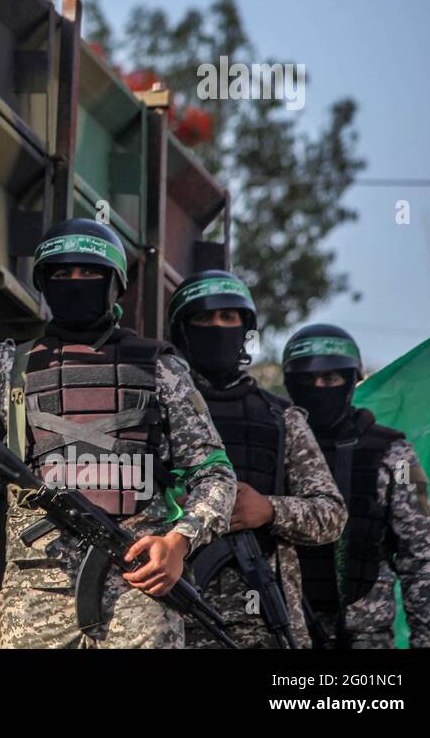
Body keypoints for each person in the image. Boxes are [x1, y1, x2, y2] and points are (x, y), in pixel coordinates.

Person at [0, 218, 236, 648]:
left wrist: (179, 542)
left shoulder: (160, 368)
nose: (76, 282)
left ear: (115, 283)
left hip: (139, 590)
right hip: (34, 597)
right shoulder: (8, 367)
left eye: (90, 273)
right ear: (45, 283)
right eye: (62, 273)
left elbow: (215, 474)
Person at [167, 271, 345, 648]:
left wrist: (269, 510)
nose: (217, 328)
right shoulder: (157, 408)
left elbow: (332, 515)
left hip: (263, 622)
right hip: (169, 615)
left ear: (244, 329)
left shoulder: (281, 418)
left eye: (228, 318)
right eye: (203, 318)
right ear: (183, 329)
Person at [283, 324, 430, 649]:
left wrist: (423, 636)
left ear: (350, 382)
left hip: (364, 635)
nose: (319, 388)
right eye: (308, 380)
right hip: (285, 630)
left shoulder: (396, 454)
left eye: (330, 379)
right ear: (291, 384)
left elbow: (418, 552)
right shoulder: (274, 445)